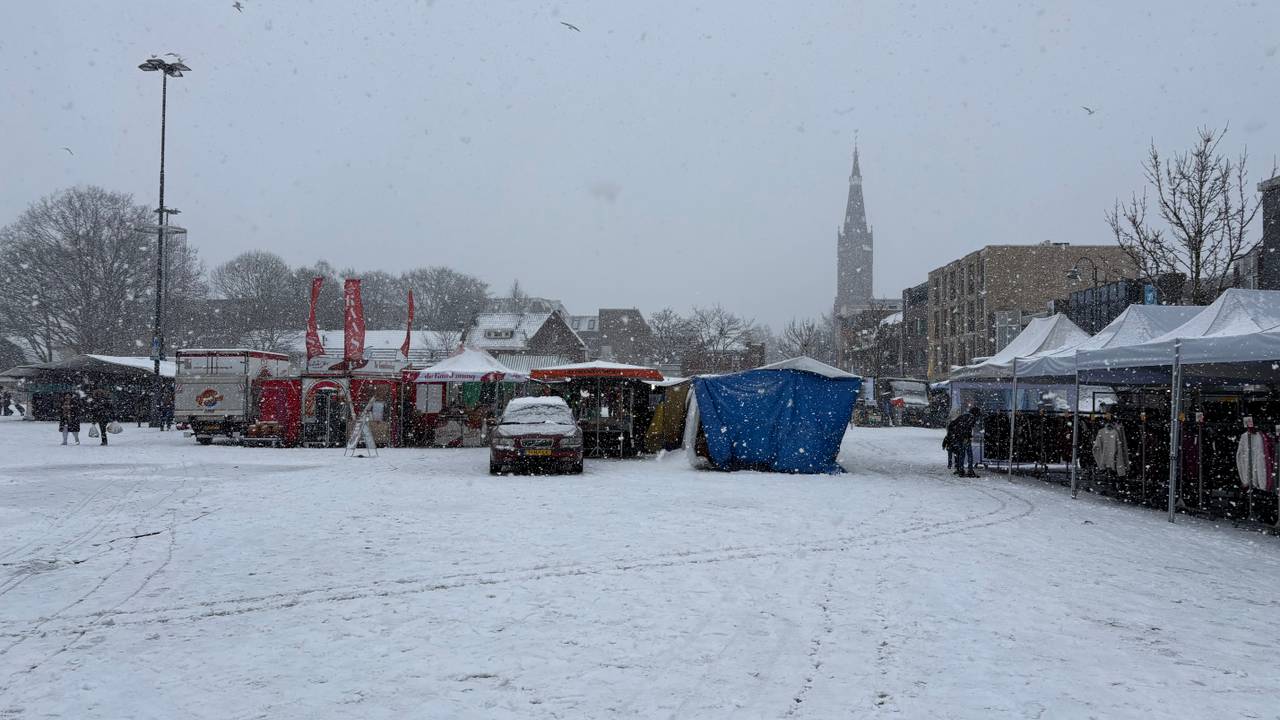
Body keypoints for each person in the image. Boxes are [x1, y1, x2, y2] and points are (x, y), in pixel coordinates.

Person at [946, 406, 982, 477]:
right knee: (969, 454)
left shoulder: (963, 416)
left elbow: (952, 424)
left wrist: (953, 434)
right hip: (965, 438)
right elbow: (967, 428)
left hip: (959, 437)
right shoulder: (972, 418)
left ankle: (961, 470)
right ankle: (970, 470)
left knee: (961, 454)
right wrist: (967, 436)